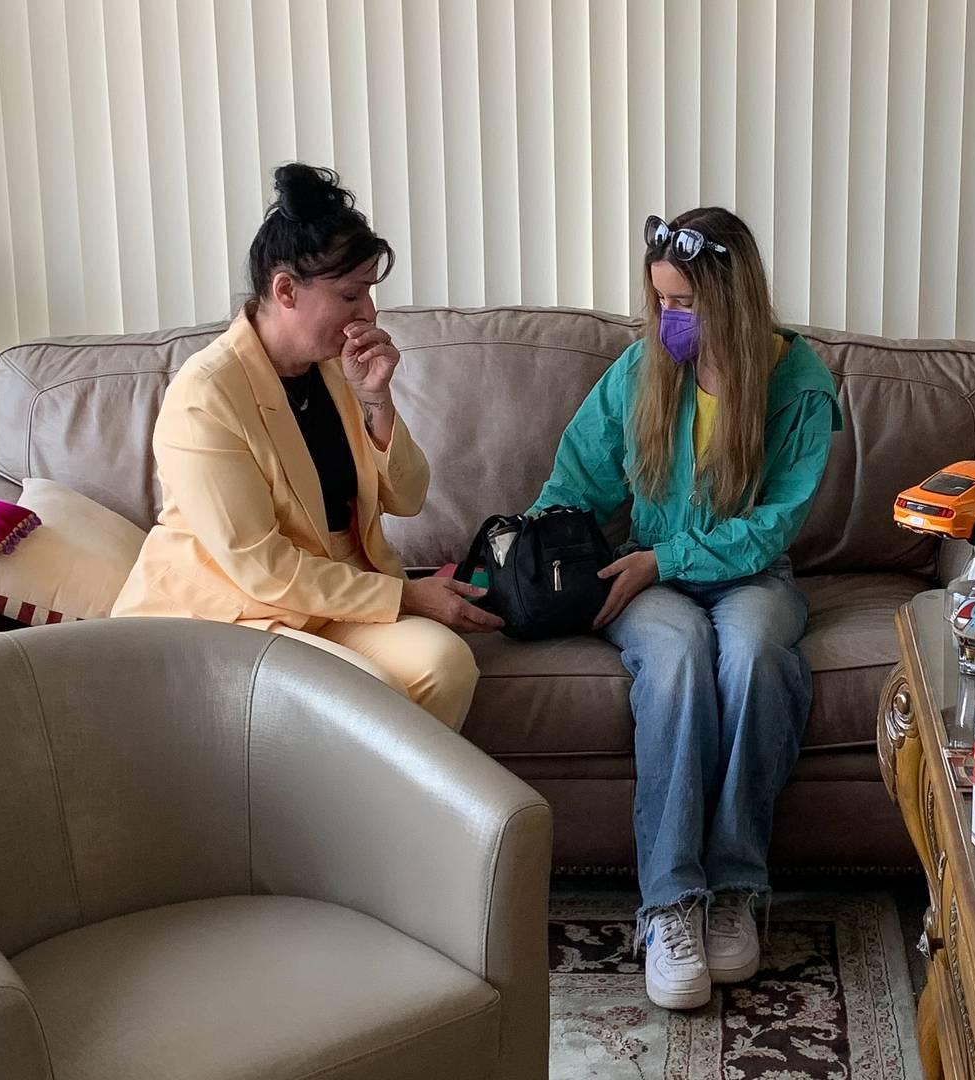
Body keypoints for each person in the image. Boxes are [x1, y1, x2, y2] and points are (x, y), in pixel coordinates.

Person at [529, 208, 842, 1010]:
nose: (669, 318)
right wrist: (533, 559)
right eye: (661, 301)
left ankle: (735, 886)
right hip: (651, 582)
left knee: (754, 653)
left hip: (747, 575)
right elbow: (574, 483)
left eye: (685, 304)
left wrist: (665, 557)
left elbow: (776, 523)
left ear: (732, 305)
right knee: (674, 660)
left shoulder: (799, 388)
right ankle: (670, 904)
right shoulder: (642, 371)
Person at [113, 163, 503, 728]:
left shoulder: (334, 370)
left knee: (445, 665)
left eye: (369, 292)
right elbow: (262, 569)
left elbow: (409, 497)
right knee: (365, 691)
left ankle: (392, 817)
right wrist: (409, 597)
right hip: (237, 610)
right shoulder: (205, 395)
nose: (367, 313)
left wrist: (377, 401)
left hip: (331, 591)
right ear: (285, 290)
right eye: (350, 295)